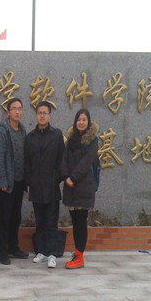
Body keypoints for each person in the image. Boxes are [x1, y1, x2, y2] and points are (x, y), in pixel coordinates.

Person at [24, 101, 65, 269]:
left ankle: (52, 253)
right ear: (36, 115)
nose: (42, 115)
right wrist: (30, 180)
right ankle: (41, 251)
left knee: (51, 221)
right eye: (39, 113)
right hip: (36, 186)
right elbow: (27, 162)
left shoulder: (57, 135)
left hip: (51, 186)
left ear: (50, 115)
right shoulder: (30, 137)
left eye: (45, 113)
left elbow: (62, 160)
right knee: (40, 221)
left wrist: (56, 179)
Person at [62, 109, 100, 269]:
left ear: (88, 122)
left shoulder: (92, 140)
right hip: (70, 187)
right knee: (75, 222)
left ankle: (80, 256)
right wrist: (66, 176)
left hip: (84, 186)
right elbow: (64, 159)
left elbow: (87, 161)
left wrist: (73, 177)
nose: (81, 122)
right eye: (79, 119)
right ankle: (77, 253)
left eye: (84, 119)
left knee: (81, 222)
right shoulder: (71, 139)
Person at [0, 98, 29, 265]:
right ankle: (3, 251)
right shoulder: (3, 131)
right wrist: (2, 181)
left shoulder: (22, 130)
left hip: (19, 181)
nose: (17, 111)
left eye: (19, 108)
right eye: (14, 108)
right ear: (8, 112)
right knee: (5, 218)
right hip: (7, 183)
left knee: (16, 216)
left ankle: (14, 247)